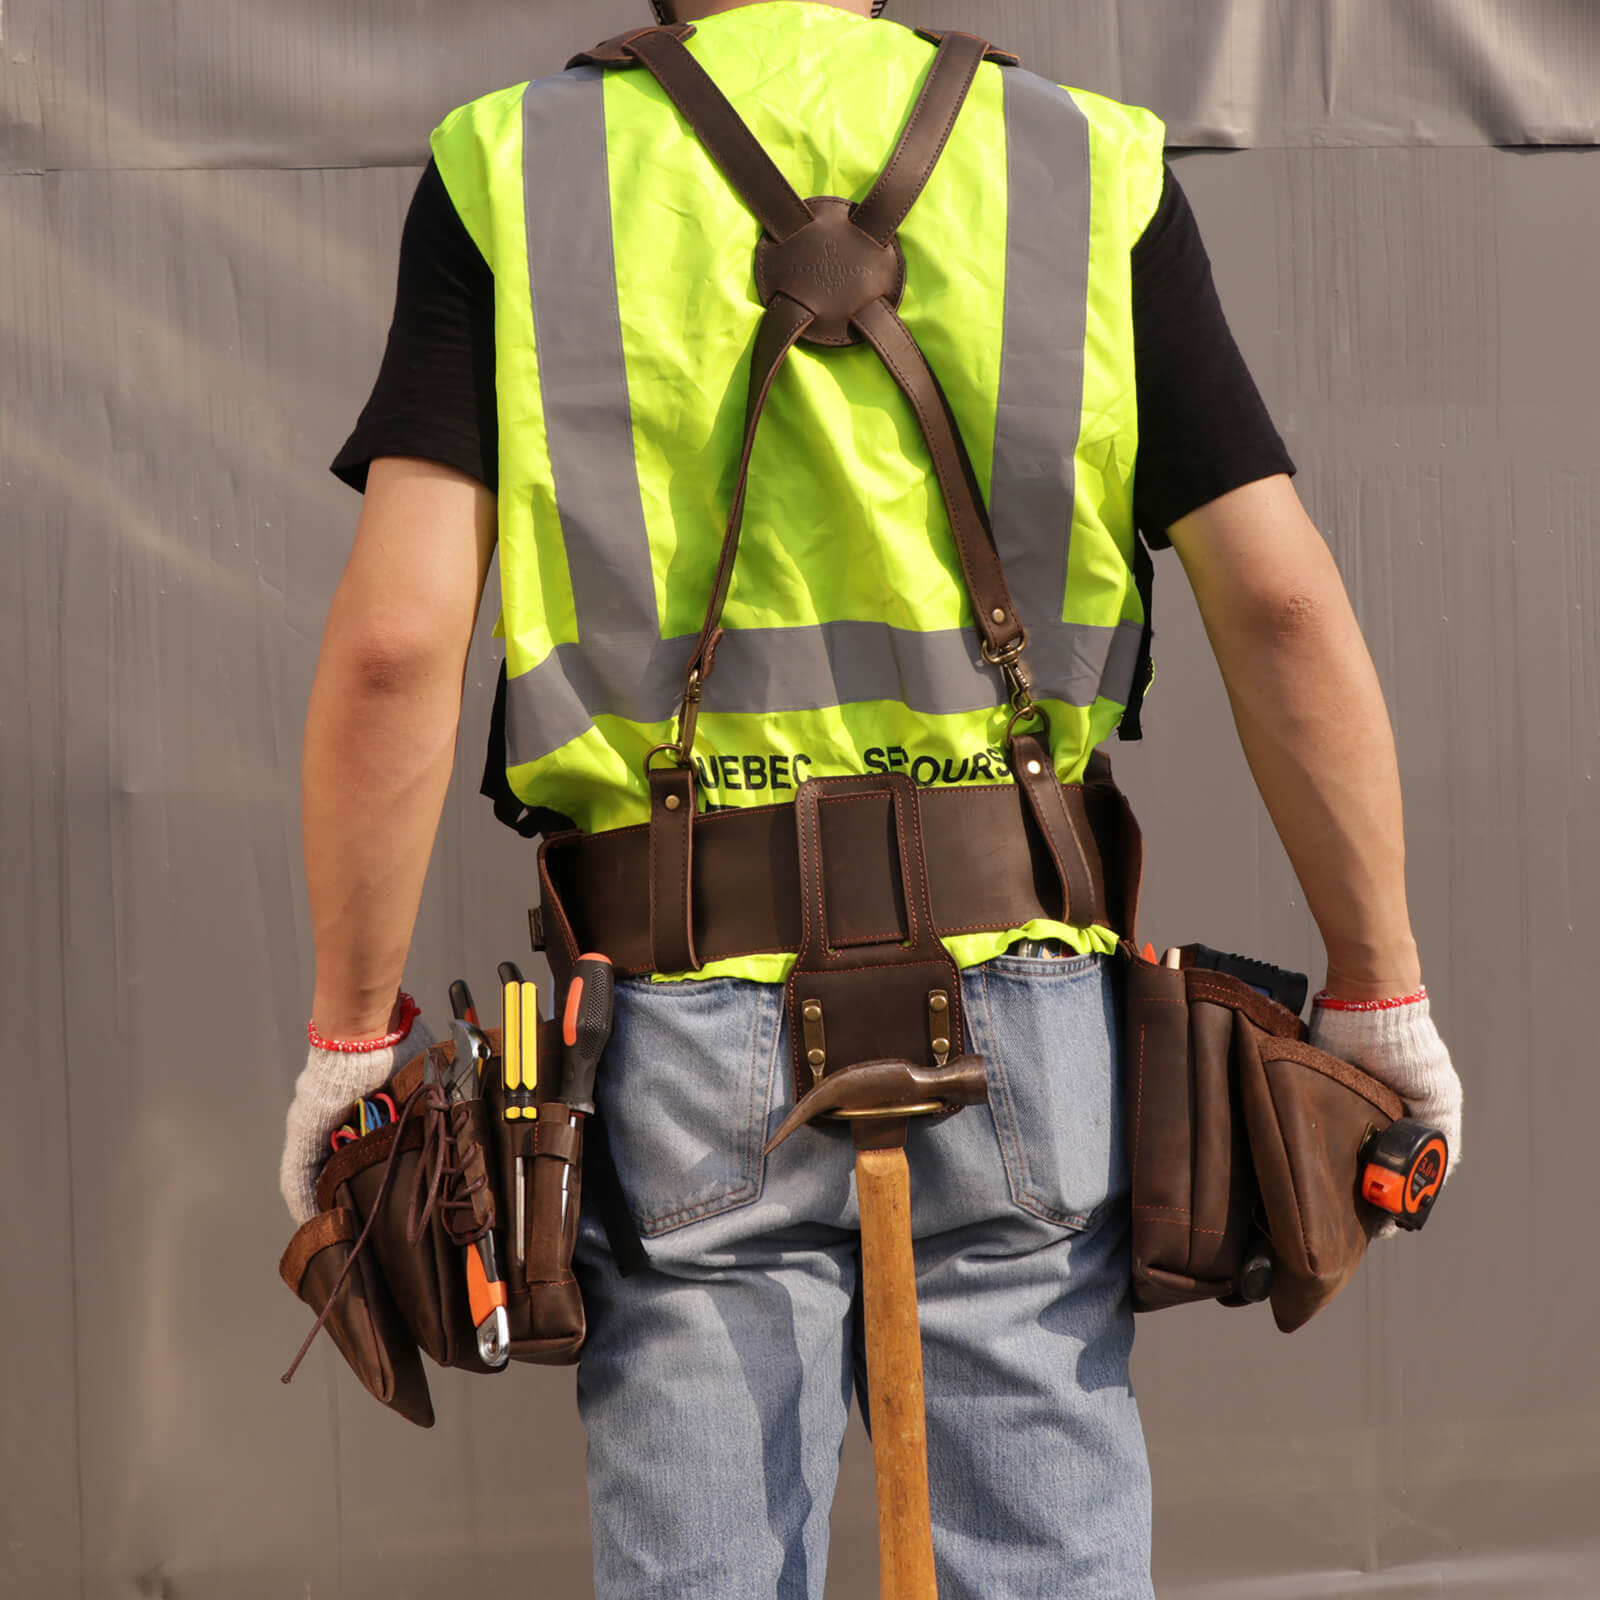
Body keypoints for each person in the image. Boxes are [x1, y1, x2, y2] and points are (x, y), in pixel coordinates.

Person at [280, 2, 1463, 1594]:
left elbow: (397, 645)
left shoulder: (519, 165)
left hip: (679, 1021)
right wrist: (1378, 991)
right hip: (1026, 1019)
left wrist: (351, 1038)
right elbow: (1289, 609)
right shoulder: (1082, 164)